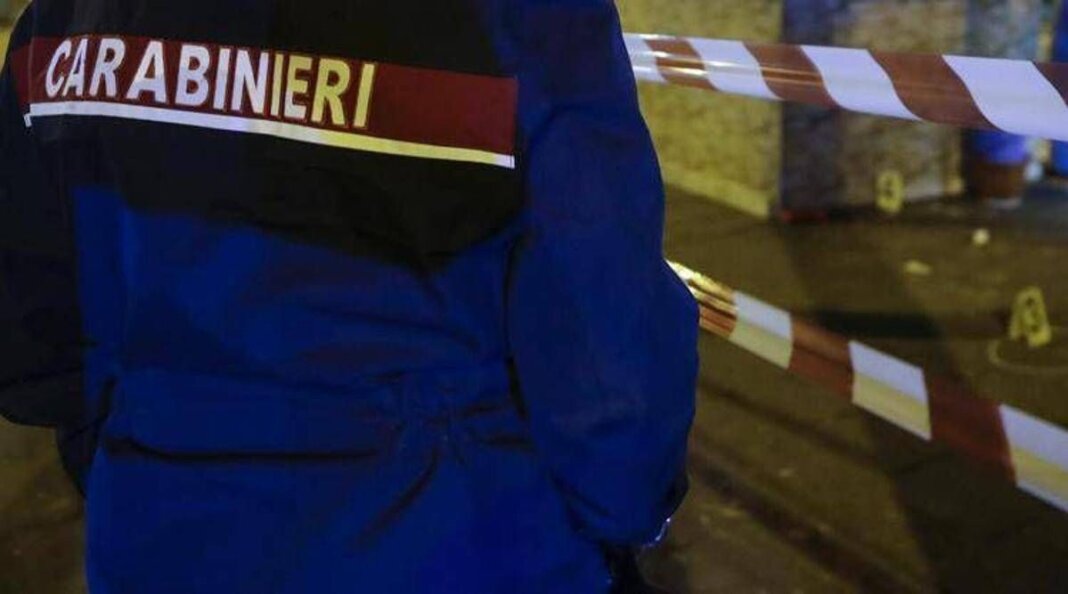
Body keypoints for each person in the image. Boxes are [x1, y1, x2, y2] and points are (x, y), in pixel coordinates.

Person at [0, 1, 698, 592]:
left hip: (157, 540)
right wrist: (626, 519)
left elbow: (38, 339)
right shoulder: (530, 19)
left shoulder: (63, 22)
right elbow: (611, 372)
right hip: (466, 543)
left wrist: (149, 452)